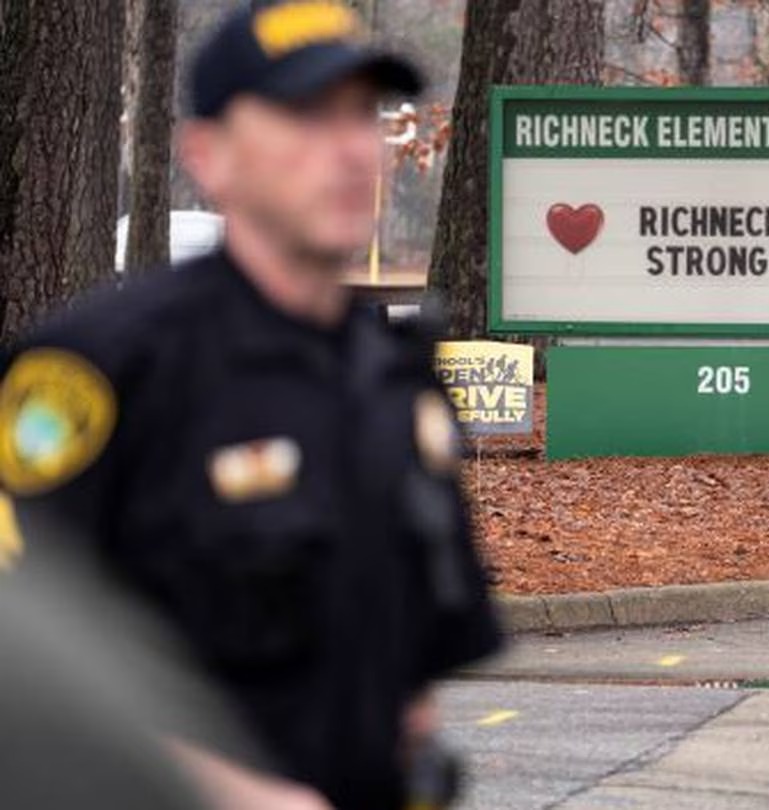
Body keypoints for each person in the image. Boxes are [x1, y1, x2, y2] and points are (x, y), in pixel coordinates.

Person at [0, 2, 502, 808]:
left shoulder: (394, 377)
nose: (349, 150)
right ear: (210, 156)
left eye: (363, 117)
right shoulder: (99, 373)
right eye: (305, 117)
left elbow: (410, 655)